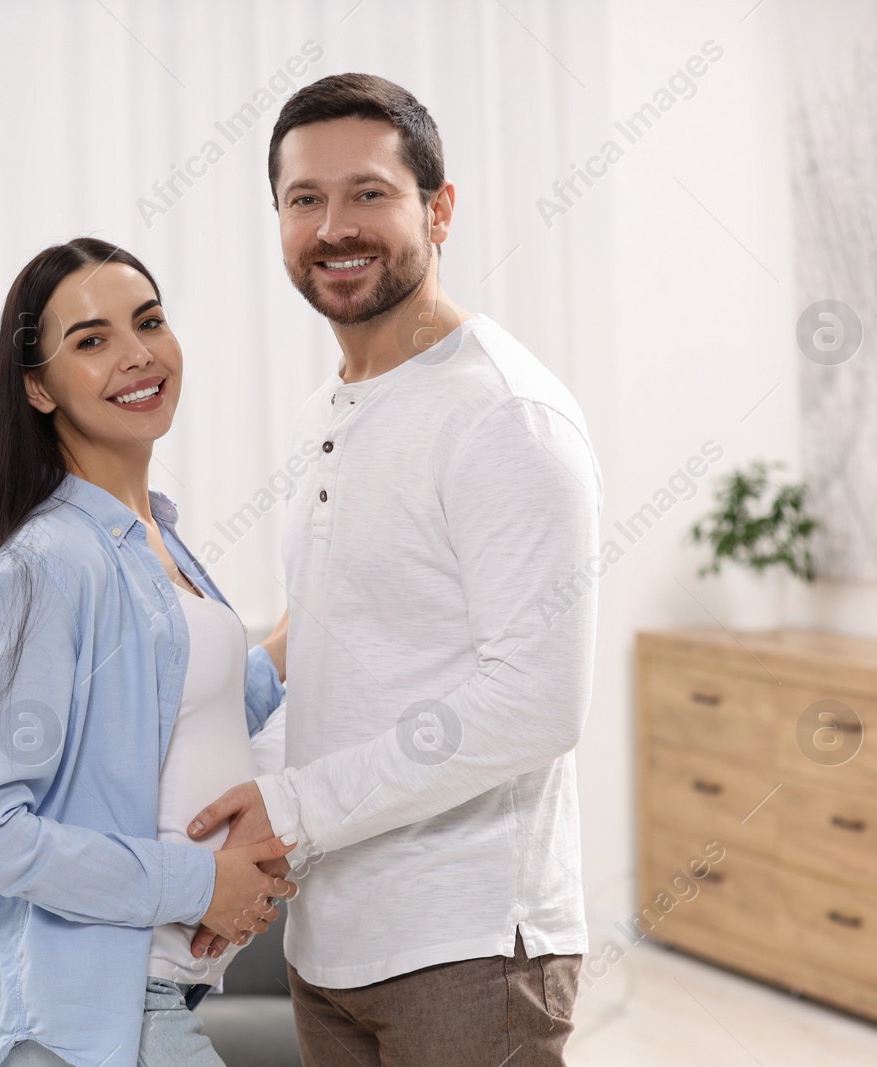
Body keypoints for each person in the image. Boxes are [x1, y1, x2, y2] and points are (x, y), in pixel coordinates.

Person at [186, 73, 603, 1066]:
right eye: (304, 199)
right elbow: (335, 623)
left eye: (368, 193)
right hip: (330, 936)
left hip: (465, 948)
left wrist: (289, 808)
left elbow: (536, 702)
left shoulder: (503, 417)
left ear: (438, 209)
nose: (335, 225)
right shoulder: (332, 406)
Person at [0, 237, 297, 1067]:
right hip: (75, 1016)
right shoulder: (50, 563)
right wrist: (202, 883)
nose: (137, 355)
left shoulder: (154, 537)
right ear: (38, 387)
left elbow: (181, 718)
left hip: (149, 993)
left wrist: (312, 619)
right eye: (91, 341)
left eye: (150, 321)